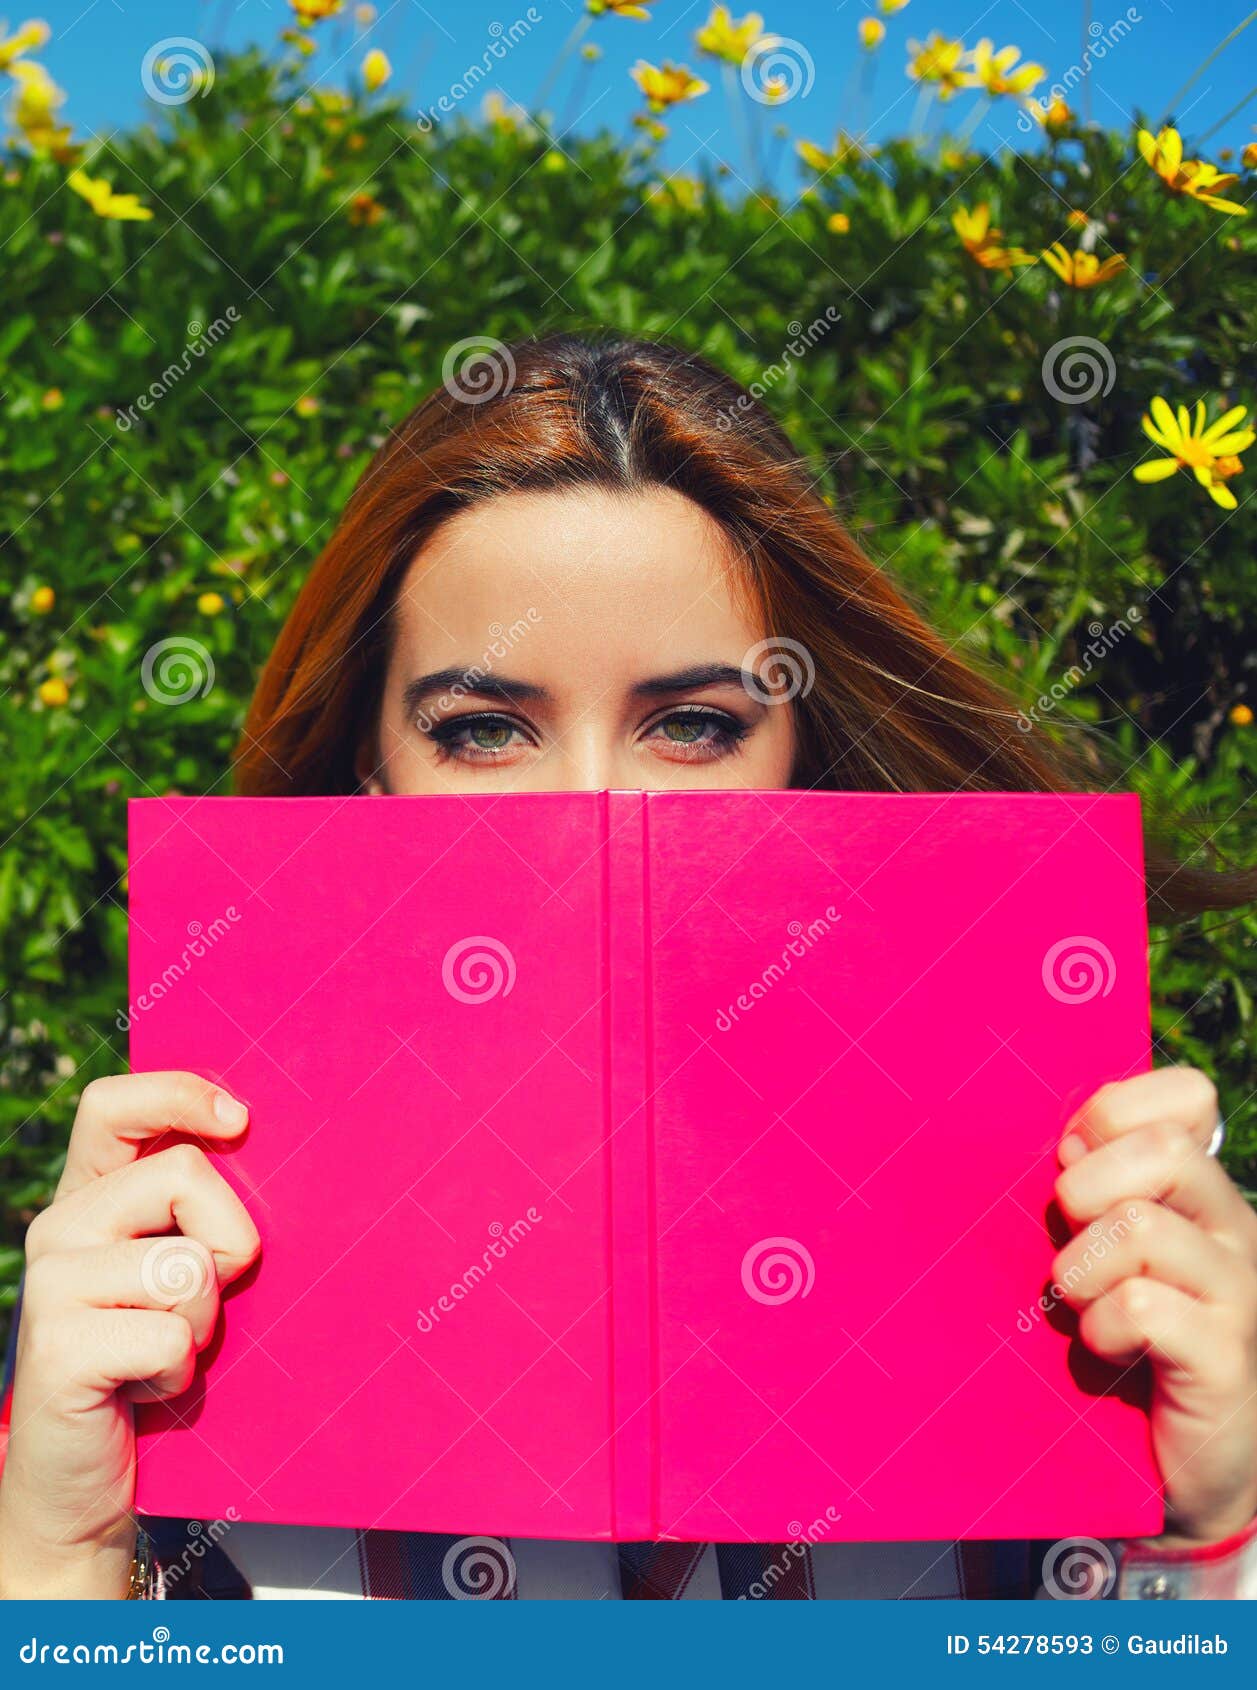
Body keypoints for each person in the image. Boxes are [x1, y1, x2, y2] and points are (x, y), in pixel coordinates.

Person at [1, 335, 1254, 1600]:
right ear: (367, 781)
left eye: (695, 724)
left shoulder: (1054, 1278)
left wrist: (1213, 1535)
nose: (590, 811)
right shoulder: (153, 1348)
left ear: (806, 764)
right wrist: (57, 1559)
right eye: (484, 730)